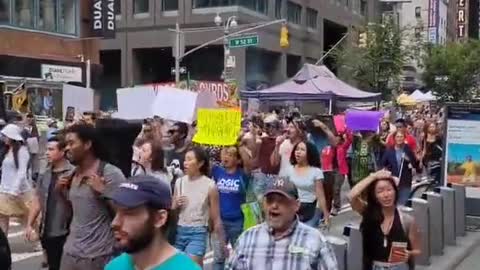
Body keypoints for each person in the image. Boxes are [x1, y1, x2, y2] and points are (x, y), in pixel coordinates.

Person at [225, 177, 338, 270]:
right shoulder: (247, 238)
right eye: (270, 200)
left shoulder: (316, 241)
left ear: (296, 205)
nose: (274, 205)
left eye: (281, 201)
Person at [58, 124, 126, 270]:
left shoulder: (110, 174)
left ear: (87, 144)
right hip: (70, 253)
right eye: (65, 144)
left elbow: (125, 213)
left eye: (71, 143)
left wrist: (104, 191)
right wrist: (62, 192)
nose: (66, 148)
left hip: (99, 255)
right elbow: (75, 212)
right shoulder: (71, 176)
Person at [104, 175, 201, 270]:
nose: (115, 223)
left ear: (160, 218)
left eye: (129, 213)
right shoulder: (114, 266)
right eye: (117, 212)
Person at [348, 170, 421, 270]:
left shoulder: (407, 220)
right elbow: (351, 196)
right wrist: (373, 176)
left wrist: (409, 254)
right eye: (380, 191)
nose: (386, 195)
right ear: (374, 196)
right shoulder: (369, 213)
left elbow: (417, 250)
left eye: (389, 190)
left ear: (395, 191)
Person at [25, 136, 75, 270]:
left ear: (63, 151)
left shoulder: (73, 173)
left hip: (65, 231)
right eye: (47, 149)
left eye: (51, 149)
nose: (47, 152)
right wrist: (30, 224)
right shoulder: (45, 173)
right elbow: (37, 198)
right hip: (46, 230)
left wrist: (62, 191)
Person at [173, 147, 225, 267]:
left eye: (189, 159)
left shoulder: (210, 185)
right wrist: (175, 204)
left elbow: (216, 218)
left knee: (192, 266)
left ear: (200, 163)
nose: (185, 163)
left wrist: (222, 243)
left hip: (198, 231)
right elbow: (172, 209)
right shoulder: (179, 182)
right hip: (180, 230)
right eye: (185, 159)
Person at [211, 146, 252, 270]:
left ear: (237, 160)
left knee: (239, 257)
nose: (225, 157)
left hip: (237, 222)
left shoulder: (242, 175)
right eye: (224, 154)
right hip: (220, 221)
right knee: (218, 258)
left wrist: (239, 144)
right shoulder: (217, 171)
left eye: (229, 155)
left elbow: (248, 163)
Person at [280, 140, 329, 227]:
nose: (298, 152)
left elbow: (321, 196)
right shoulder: (288, 170)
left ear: (309, 154)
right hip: (293, 209)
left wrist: (326, 216)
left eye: (302, 150)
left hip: (311, 209)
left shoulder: (316, 172)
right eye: (297, 149)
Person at [0, 124, 32, 235]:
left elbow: (21, 172)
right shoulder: (7, 150)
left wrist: (14, 190)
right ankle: (3, 244)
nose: (3, 138)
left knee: (27, 217)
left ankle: (36, 241)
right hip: (4, 190)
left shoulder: (22, 151)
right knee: (2, 217)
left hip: (20, 191)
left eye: (5, 136)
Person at [381, 132, 420, 205]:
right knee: (393, 202)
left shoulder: (407, 149)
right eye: (397, 137)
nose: (399, 138)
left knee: (403, 203)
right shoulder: (389, 150)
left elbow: (415, 164)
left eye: (401, 136)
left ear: (404, 138)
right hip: (393, 181)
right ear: (394, 138)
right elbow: (383, 164)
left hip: (405, 181)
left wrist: (408, 160)